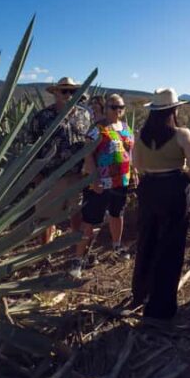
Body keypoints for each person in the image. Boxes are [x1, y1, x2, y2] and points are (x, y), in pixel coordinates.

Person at [131, 88, 190, 319]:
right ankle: (161, 306)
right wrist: (179, 181)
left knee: (147, 240)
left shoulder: (141, 134)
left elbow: (137, 165)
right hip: (173, 190)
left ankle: (140, 292)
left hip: (149, 188)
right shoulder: (182, 134)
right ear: (174, 109)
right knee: (171, 247)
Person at [69, 94, 135, 278]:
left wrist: (134, 173)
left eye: (120, 106)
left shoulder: (126, 128)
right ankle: (77, 259)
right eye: (113, 107)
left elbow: (130, 152)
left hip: (121, 181)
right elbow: (88, 155)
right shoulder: (97, 129)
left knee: (117, 214)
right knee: (89, 220)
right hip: (100, 183)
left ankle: (117, 246)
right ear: (106, 108)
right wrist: (93, 178)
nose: (117, 110)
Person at [27, 77, 92, 246]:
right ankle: (44, 252)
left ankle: (74, 246)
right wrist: (36, 175)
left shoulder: (84, 115)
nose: (68, 95)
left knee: (75, 211)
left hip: (76, 175)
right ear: (55, 92)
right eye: (64, 90)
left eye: (72, 91)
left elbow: (89, 142)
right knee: (46, 216)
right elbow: (29, 146)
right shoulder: (42, 117)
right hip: (49, 176)